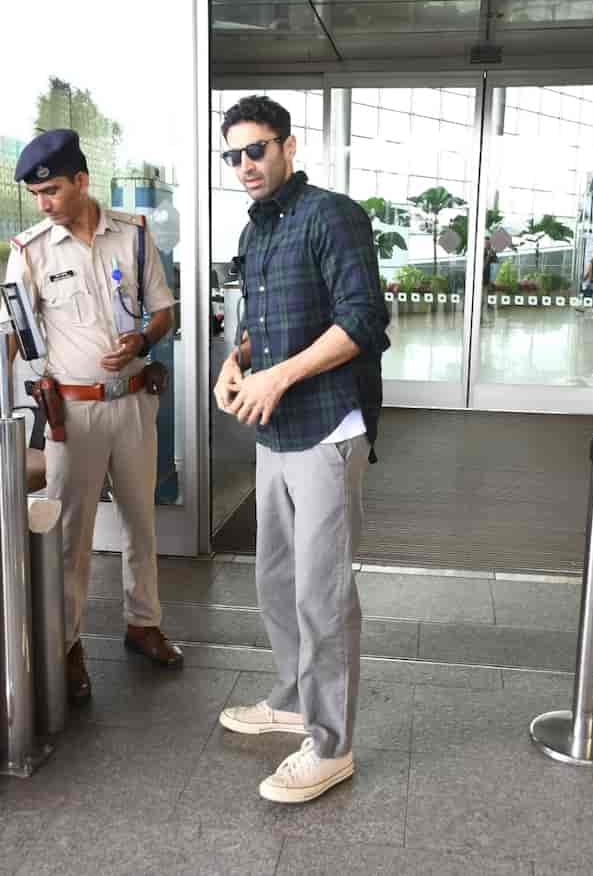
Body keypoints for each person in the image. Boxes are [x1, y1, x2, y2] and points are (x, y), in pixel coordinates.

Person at [213, 95, 389, 803]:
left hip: (325, 429)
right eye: (234, 155)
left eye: (257, 150)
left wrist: (281, 375)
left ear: (290, 145)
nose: (246, 165)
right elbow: (261, 325)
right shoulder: (256, 233)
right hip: (274, 431)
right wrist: (239, 361)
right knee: (275, 583)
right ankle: (292, 699)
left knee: (322, 595)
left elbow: (362, 320)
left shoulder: (331, 215)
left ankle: (331, 745)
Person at [4, 129, 183, 705]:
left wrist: (142, 338)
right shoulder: (30, 251)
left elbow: (165, 312)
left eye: (53, 189)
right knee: (67, 537)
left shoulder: (132, 237)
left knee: (140, 523)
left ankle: (143, 623)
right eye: (37, 195)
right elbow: (8, 335)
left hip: (132, 403)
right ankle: (66, 646)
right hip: (70, 415)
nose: (44, 203)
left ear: (82, 181)